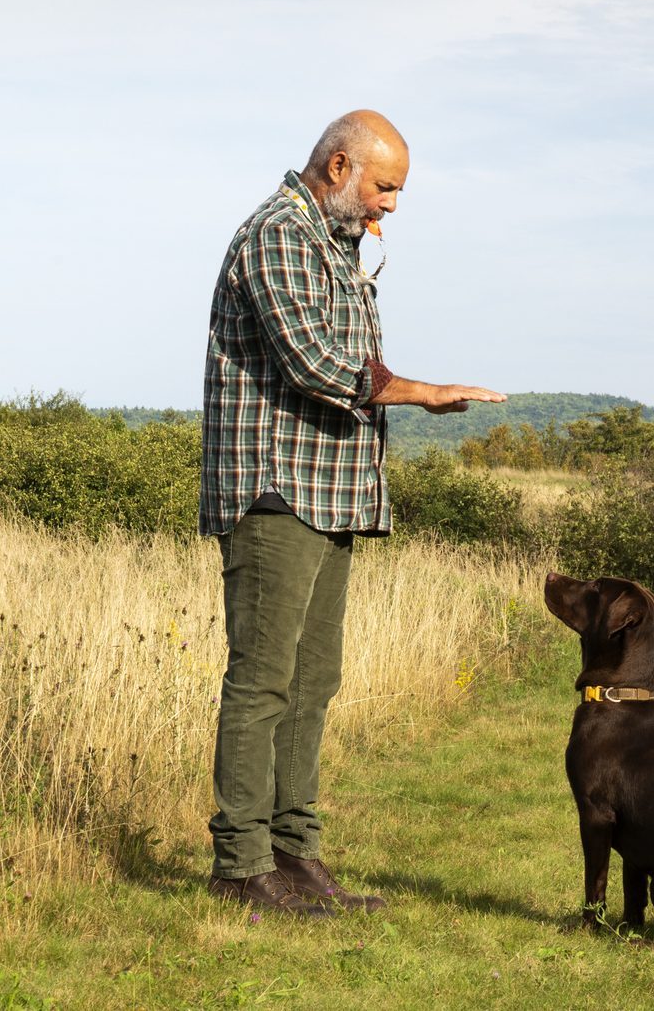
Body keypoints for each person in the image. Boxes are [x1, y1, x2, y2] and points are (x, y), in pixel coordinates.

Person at [200, 110, 504, 917]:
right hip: (275, 492)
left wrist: (400, 390)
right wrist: (422, 390)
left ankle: (296, 857)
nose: (391, 207)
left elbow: (352, 363)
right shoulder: (275, 235)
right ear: (339, 166)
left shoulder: (336, 245)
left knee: (312, 681)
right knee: (263, 681)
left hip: (330, 493)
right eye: (384, 187)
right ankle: (240, 865)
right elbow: (317, 364)